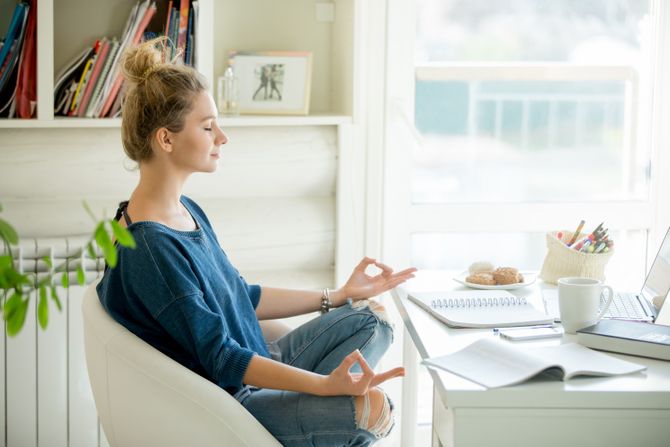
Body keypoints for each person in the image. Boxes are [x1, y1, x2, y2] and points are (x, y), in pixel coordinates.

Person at [96, 37, 416, 446]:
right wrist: (322, 386)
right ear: (166, 140)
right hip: (232, 404)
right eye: (209, 127)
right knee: (374, 410)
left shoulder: (184, 209)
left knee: (372, 318)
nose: (223, 138)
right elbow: (223, 357)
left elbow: (241, 296)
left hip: (261, 360)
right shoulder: (152, 250)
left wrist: (338, 295)